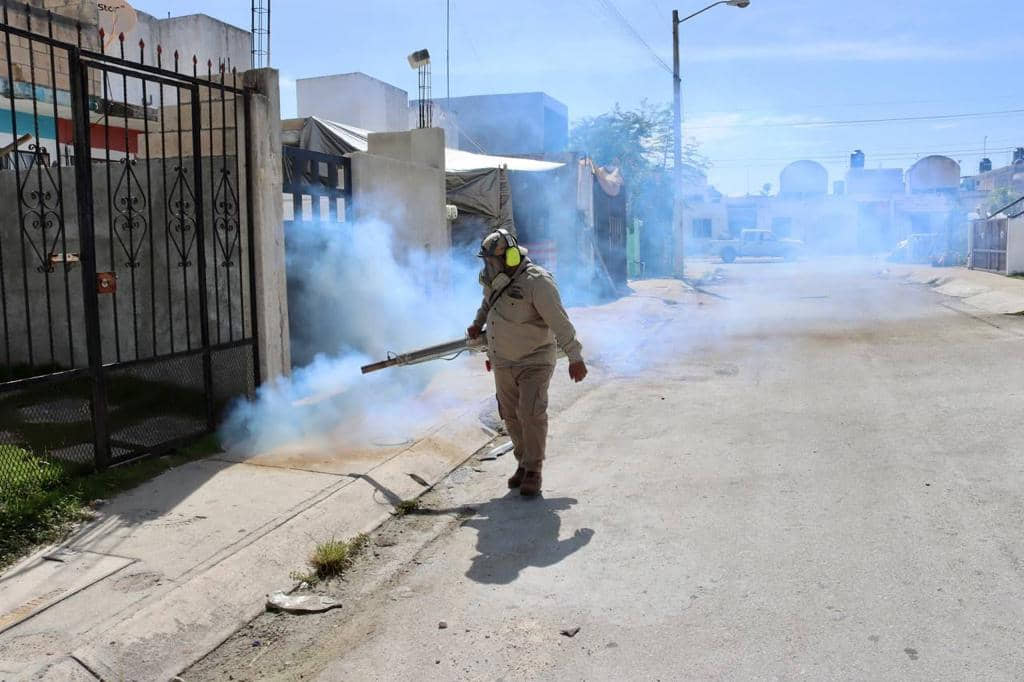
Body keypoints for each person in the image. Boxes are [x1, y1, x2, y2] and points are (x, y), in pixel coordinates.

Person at [468, 229, 587, 497]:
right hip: (503, 360)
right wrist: (477, 324)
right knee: (510, 415)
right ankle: (523, 461)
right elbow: (488, 303)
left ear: (510, 257)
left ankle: (533, 470)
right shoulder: (495, 280)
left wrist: (574, 357)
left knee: (530, 413)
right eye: (485, 261)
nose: (488, 267)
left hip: (534, 359)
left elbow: (560, 322)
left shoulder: (538, 282)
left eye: (492, 261)